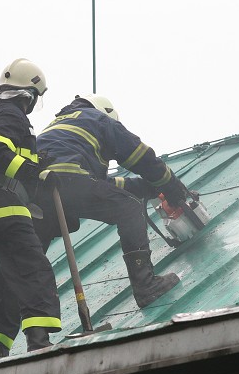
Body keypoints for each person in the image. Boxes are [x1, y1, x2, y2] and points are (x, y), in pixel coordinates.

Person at [33, 94, 190, 308]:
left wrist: (147, 188)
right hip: (69, 180)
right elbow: (141, 157)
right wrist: (170, 185)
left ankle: (28, 315)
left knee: (31, 256)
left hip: (38, 192)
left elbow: (102, 186)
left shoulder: (57, 127)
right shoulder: (98, 119)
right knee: (129, 208)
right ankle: (146, 286)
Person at [0, 58, 62, 360]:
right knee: (34, 271)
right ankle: (39, 341)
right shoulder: (11, 112)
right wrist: (34, 172)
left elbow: (2, 154)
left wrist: (36, 164)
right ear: (29, 94)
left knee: (5, 287)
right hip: (3, 202)